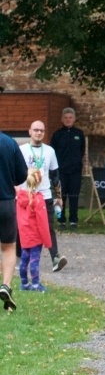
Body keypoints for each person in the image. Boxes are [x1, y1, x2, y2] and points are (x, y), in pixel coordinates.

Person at [19, 122, 67, 275]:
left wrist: (58, 196)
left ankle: (55, 258)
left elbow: (55, 175)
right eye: (36, 130)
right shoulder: (22, 150)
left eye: (41, 130)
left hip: (44, 196)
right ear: (30, 132)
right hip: (26, 196)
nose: (38, 133)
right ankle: (20, 258)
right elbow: (16, 172)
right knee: (23, 228)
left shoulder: (50, 151)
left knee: (48, 227)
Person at [0, 130, 28, 310]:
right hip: (6, 202)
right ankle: (6, 285)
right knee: (8, 246)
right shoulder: (9, 142)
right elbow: (22, 175)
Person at [16, 168, 52, 292]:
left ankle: (24, 283)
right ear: (39, 182)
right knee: (34, 261)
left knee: (24, 259)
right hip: (35, 236)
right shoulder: (38, 199)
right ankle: (36, 284)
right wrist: (47, 241)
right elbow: (42, 223)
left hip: (24, 235)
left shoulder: (20, 198)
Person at [50, 107, 86, 228]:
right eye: (66, 118)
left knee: (74, 197)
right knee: (60, 197)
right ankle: (61, 220)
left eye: (70, 118)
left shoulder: (79, 134)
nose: (68, 120)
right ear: (62, 119)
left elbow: (82, 151)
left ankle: (73, 221)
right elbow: (52, 152)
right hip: (61, 172)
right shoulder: (57, 135)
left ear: (74, 119)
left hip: (75, 172)